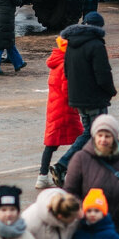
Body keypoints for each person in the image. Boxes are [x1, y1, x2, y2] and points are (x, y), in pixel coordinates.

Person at [62, 115, 119, 239]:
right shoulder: (80, 159)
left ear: (114, 138)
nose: (103, 140)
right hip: (89, 231)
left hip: (118, 231)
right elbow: (70, 194)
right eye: (100, 135)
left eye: (107, 136)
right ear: (94, 136)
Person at [51, 12, 116, 186]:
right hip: (94, 98)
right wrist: (110, 91)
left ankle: (86, 169)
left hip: (77, 97)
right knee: (94, 134)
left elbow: (67, 71)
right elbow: (103, 74)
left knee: (90, 132)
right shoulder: (96, 45)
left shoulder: (71, 44)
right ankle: (63, 164)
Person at [37, 37, 83, 190]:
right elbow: (67, 89)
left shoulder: (56, 61)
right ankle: (71, 171)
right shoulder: (67, 64)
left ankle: (42, 177)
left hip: (54, 108)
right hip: (66, 110)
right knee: (83, 140)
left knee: (51, 142)